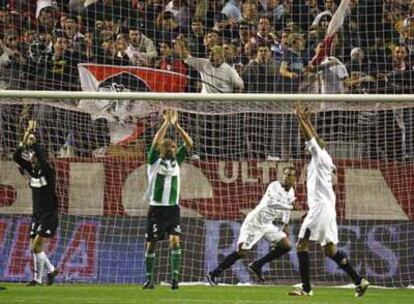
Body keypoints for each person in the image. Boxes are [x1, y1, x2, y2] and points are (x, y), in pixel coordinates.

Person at [288, 105, 369, 297]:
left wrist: (300, 119)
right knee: (330, 250)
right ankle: (359, 280)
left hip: (320, 208)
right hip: (326, 209)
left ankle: (306, 288)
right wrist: (307, 121)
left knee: (301, 245)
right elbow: (315, 140)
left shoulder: (320, 157)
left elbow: (311, 140)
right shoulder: (325, 157)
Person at [206, 166, 297, 285]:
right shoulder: (275, 186)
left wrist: (285, 223)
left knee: (286, 246)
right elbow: (271, 204)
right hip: (254, 222)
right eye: (285, 174)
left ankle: (257, 264)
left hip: (267, 224)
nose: (286, 177)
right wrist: (289, 206)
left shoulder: (291, 192)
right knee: (242, 252)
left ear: (294, 179)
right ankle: (213, 274)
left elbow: (287, 210)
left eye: (289, 175)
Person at [143, 109, 193, 290]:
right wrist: (166, 123)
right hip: (156, 209)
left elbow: (189, 143)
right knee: (151, 245)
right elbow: (156, 140)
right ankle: (149, 279)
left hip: (173, 209)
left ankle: (175, 278)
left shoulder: (177, 161)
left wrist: (177, 126)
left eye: (173, 147)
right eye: (168, 147)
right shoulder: (153, 161)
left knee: (175, 241)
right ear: (161, 149)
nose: (172, 149)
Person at [12, 120, 59, 286]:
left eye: (34, 157)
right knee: (34, 247)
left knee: (35, 247)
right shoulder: (32, 170)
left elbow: (41, 158)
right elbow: (16, 157)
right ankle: (43, 275)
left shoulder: (48, 171)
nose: (32, 159)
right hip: (37, 213)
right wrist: (25, 141)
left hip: (49, 213)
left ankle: (47, 273)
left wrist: (34, 141)